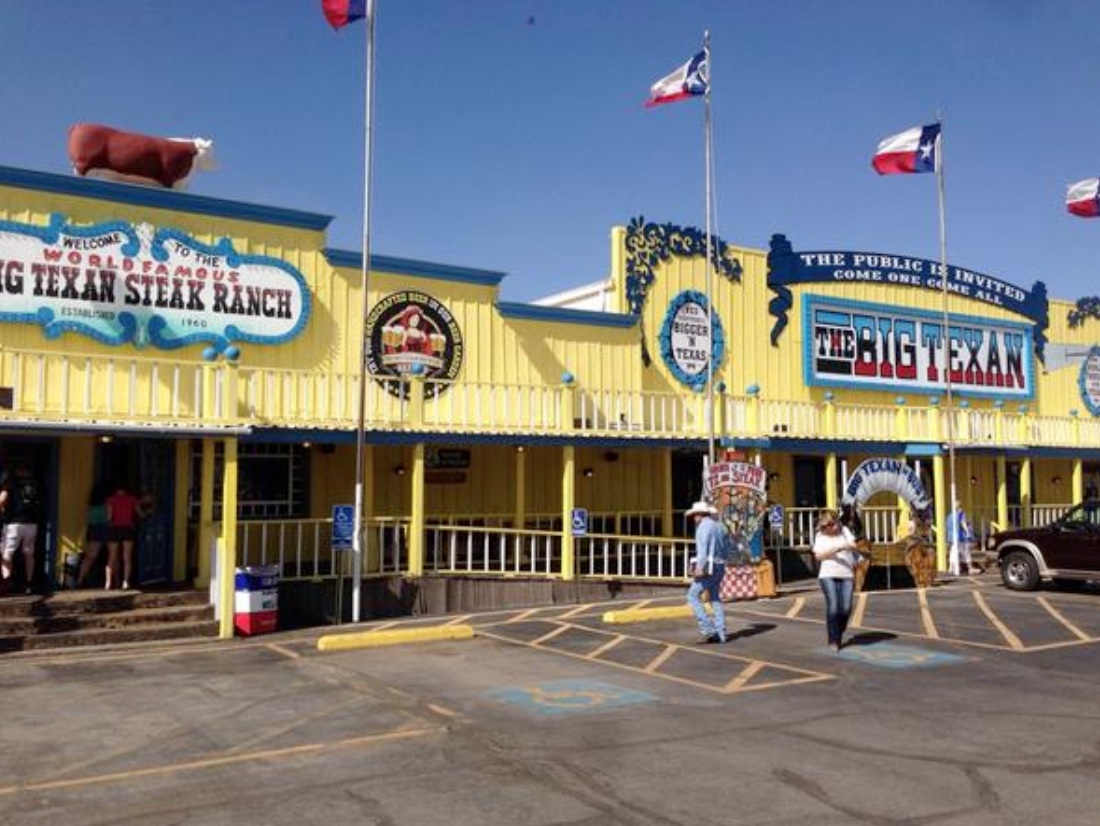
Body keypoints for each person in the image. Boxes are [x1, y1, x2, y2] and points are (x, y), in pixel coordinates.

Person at [685, 500, 733, 644]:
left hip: (708, 568)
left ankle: (709, 630)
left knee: (692, 596)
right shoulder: (719, 526)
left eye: (694, 515)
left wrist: (699, 567)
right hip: (720, 566)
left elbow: (703, 552)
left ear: (699, 514)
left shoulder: (702, 528)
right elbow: (726, 548)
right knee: (714, 598)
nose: (693, 518)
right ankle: (721, 632)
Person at [813, 508, 861, 652]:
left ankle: (838, 631)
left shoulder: (845, 531)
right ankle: (833, 640)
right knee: (833, 606)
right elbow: (818, 556)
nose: (830, 528)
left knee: (846, 608)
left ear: (837, 522)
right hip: (827, 575)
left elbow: (854, 545)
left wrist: (845, 545)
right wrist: (835, 549)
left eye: (832, 524)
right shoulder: (820, 536)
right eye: (826, 526)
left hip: (846, 574)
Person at [0, 464, 43, 595]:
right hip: (32, 524)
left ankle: (6, 583)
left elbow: (2, 500)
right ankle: (29, 584)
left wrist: (2, 510)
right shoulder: (35, 484)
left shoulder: (10, 483)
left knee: (6, 554)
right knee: (29, 554)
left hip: (14, 524)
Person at [104, 484, 149, 591]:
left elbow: (109, 517)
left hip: (115, 529)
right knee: (127, 557)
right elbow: (140, 514)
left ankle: (108, 583)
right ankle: (125, 582)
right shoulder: (132, 499)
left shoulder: (110, 499)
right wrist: (147, 513)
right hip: (128, 529)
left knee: (111, 558)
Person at [76, 482, 111, 589]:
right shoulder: (107, 503)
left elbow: (87, 518)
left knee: (90, 556)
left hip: (92, 529)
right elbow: (109, 518)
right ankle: (112, 582)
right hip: (104, 528)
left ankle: (80, 579)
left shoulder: (90, 505)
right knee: (112, 556)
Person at [946, 499, 981, 576]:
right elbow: (963, 523)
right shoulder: (961, 514)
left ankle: (951, 568)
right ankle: (970, 568)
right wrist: (968, 532)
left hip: (952, 537)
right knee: (965, 552)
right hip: (960, 537)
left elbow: (948, 527)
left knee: (953, 552)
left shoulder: (949, 516)